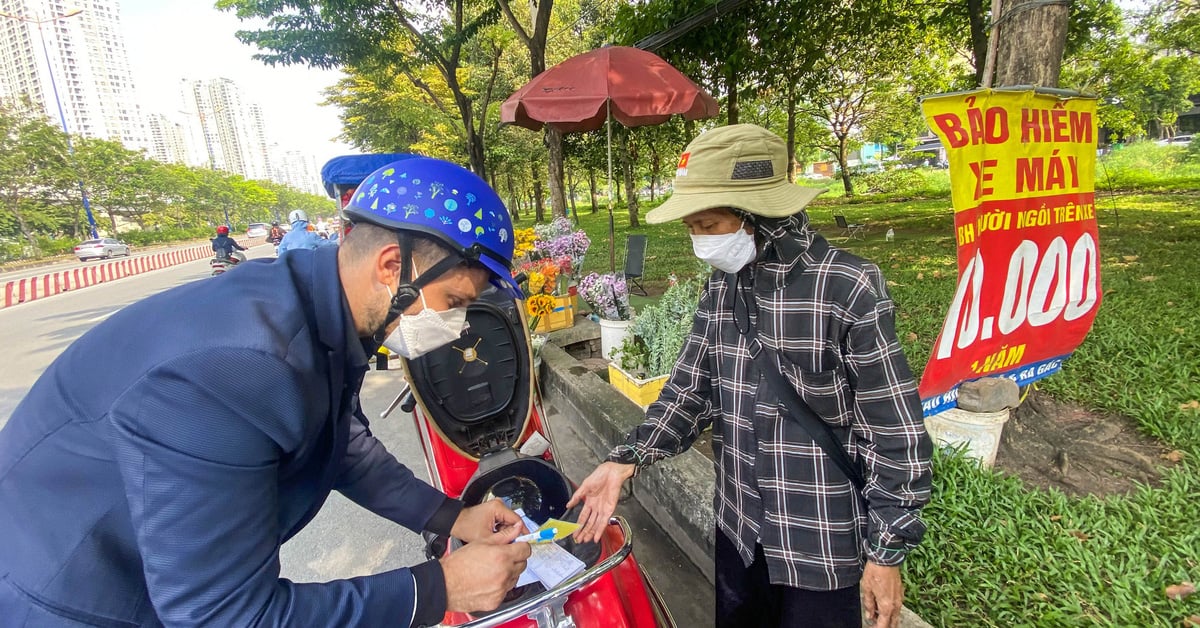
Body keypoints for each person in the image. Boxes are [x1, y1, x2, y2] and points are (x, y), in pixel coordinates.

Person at [0, 157, 533, 627]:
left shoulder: (319, 314)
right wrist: (439, 589)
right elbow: (227, 616)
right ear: (392, 266)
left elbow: (340, 445)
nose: (461, 325)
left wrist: (452, 517)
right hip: (71, 600)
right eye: (455, 300)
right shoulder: (240, 366)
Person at [566, 125, 933, 628]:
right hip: (739, 528)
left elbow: (895, 433)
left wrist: (886, 553)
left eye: (708, 223)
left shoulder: (846, 287)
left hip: (819, 542)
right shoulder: (722, 289)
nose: (698, 240)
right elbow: (690, 391)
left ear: (759, 217)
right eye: (691, 226)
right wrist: (623, 460)